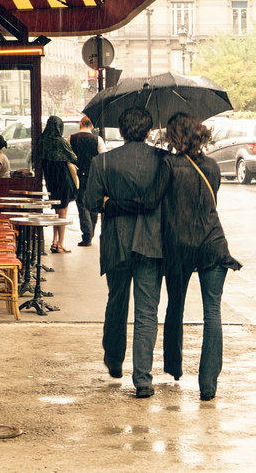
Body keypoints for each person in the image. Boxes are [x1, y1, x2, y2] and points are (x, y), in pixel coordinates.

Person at [106, 112, 242, 402]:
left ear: (173, 136)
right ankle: (208, 387)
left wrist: (112, 203)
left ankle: (175, 366)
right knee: (213, 313)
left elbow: (149, 202)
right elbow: (209, 202)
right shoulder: (214, 166)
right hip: (214, 243)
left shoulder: (169, 164)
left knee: (174, 306)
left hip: (179, 247)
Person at [84, 107, 167, 398]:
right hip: (152, 244)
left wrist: (109, 201)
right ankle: (143, 378)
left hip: (116, 242)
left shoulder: (103, 162)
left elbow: (91, 201)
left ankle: (114, 359)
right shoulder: (162, 160)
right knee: (147, 311)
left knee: (116, 301)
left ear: (121, 132)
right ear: (148, 132)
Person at [36, 116, 79, 253]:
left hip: (50, 179)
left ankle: (54, 242)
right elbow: (73, 157)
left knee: (57, 211)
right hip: (63, 178)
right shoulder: (61, 142)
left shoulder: (41, 141)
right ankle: (60, 244)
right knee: (63, 212)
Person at [70, 116, 107, 248]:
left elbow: (69, 157)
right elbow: (103, 158)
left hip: (78, 176)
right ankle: (90, 232)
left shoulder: (71, 138)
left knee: (81, 205)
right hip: (93, 176)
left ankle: (87, 235)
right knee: (92, 204)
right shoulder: (98, 139)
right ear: (91, 126)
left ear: (80, 124)